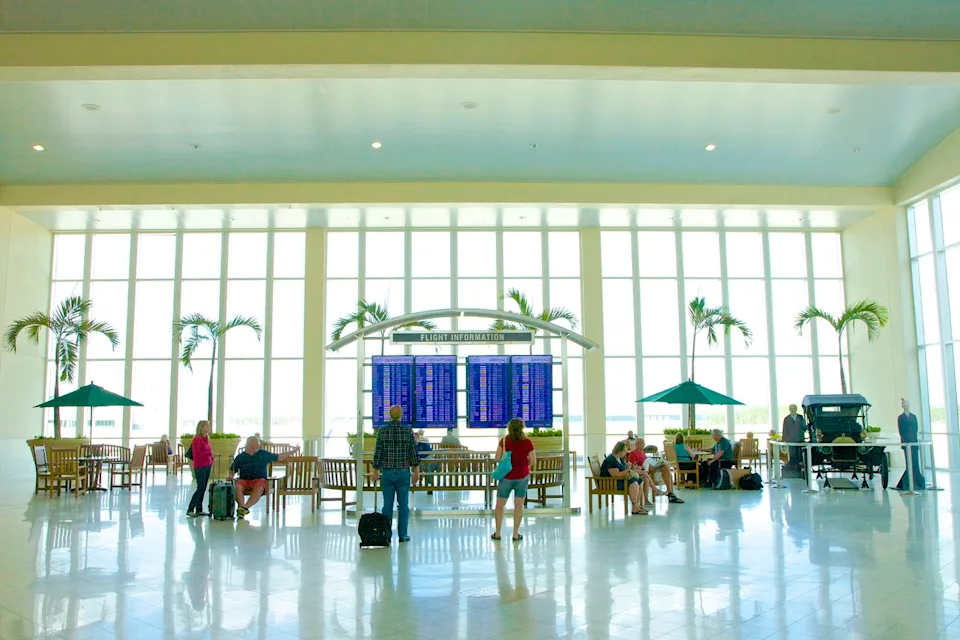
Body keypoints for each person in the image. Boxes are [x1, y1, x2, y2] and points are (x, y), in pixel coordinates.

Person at [371, 405, 421, 543]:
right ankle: (403, 535)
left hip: (387, 473)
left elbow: (378, 454)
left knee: (387, 505)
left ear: (389, 415)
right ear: (401, 415)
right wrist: (416, 472)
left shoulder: (382, 431)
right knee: (403, 505)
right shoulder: (407, 431)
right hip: (403, 473)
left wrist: (375, 471)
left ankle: (386, 535)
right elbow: (413, 453)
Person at [492, 418, 537, 541]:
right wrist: (524, 463)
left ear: (509, 428)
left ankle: (498, 533)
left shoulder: (504, 441)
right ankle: (516, 534)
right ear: (522, 428)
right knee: (519, 505)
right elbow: (533, 461)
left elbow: (497, 458)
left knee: (500, 506)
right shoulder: (527, 442)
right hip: (522, 477)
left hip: (506, 477)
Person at [228, 436, 292, 518]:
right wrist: (231, 476)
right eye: (251, 445)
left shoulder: (263, 454)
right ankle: (242, 507)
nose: (253, 447)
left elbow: (279, 456)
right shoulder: (241, 456)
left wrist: (293, 451)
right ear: (247, 445)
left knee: (260, 487)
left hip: (259, 480)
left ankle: (245, 507)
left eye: (255, 445)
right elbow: (232, 470)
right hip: (244, 480)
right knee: (237, 486)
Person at [630, 438, 684, 505]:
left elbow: (646, 461)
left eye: (644, 444)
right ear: (637, 444)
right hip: (642, 470)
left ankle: (670, 492)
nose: (643, 446)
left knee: (665, 467)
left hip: (649, 468)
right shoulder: (632, 453)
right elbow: (634, 465)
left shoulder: (642, 452)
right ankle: (657, 491)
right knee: (648, 474)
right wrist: (644, 467)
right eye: (642, 444)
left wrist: (651, 465)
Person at [601, 441, 647, 515]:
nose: (626, 452)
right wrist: (628, 469)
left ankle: (636, 505)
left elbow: (624, 469)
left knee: (639, 481)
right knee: (633, 482)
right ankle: (635, 508)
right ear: (620, 451)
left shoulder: (619, 459)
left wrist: (633, 468)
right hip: (611, 483)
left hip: (619, 480)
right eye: (625, 451)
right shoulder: (611, 460)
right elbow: (616, 475)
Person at [896, 398, 926, 490]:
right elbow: (901, 431)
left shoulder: (913, 417)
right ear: (902, 406)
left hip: (914, 442)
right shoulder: (900, 418)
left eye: (907, 405)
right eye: (904, 405)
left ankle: (918, 481)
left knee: (915, 462)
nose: (906, 406)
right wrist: (904, 442)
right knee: (909, 462)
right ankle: (907, 483)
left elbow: (915, 429)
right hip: (906, 443)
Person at [186, 420, 213, 517]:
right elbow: (197, 453)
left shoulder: (206, 438)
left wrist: (211, 457)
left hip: (207, 465)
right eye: (206, 426)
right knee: (200, 487)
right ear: (201, 427)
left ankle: (199, 509)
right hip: (200, 466)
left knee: (203, 488)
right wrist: (209, 454)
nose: (208, 428)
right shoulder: (197, 439)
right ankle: (190, 509)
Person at [782, 404, 806, 470]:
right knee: (792, 455)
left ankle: (800, 468)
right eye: (791, 408)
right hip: (791, 440)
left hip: (799, 440)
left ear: (796, 409)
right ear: (789, 409)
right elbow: (784, 430)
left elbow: (804, 427)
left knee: (800, 455)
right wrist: (784, 440)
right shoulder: (786, 419)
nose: (793, 409)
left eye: (794, 408)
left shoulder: (800, 417)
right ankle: (793, 469)